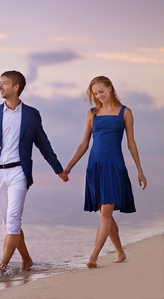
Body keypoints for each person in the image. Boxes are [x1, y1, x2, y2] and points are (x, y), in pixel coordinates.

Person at [0, 70, 68, 273]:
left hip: (19, 173)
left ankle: (0, 269)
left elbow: (43, 144)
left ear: (16, 87)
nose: (0, 86)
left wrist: (58, 170)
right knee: (8, 223)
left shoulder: (31, 114)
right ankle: (27, 260)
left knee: (13, 221)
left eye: (4, 83)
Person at [63, 76, 147, 268]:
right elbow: (84, 144)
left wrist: (139, 171)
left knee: (106, 213)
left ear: (110, 88)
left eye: (101, 91)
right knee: (104, 213)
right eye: (95, 93)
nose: (99, 96)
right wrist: (69, 167)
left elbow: (131, 143)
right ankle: (120, 252)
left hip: (114, 165)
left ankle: (93, 255)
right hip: (95, 166)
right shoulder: (92, 113)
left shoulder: (125, 112)